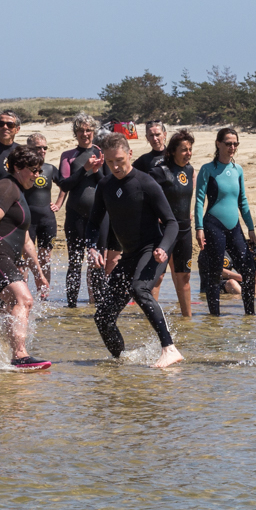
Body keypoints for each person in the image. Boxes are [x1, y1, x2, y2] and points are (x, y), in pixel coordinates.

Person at [84, 131, 184, 368]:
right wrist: (92, 247)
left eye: (120, 160)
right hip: (128, 256)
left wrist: (163, 248)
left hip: (152, 250)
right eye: (110, 162)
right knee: (103, 316)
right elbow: (93, 223)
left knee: (140, 289)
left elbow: (171, 222)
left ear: (130, 154)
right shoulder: (105, 185)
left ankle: (169, 349)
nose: (115, 166)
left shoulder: (145, 183)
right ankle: (120, 361)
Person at [0, 143, 53, 370]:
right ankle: (20, 356)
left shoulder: (19, 191)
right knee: (24, 300)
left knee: (10, 309)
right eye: (33, 170)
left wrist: (38, 274)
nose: (37, 175)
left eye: (39, 170)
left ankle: (2, 360)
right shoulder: (7, 186)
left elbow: (26, 240)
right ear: (17, 167)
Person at [194, 127, 256, 316]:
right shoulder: (207, 169)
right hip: (213, 225)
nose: (232, 147)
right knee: (215, 272)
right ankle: (214, 318)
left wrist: (251, 228)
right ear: (218, 144)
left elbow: (242, 201)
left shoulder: (238, 170)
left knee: (248, 270)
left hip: (234, 226)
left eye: (235, 144)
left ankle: (250, 315)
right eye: (228, 143)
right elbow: (199, 200)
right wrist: (199, 228)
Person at [151, 129, 199, 316]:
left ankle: (187, 320)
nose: (188, 153)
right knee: (158, 277)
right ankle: (151, 319)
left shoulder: (189, 170)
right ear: (172, 151)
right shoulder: (160, 171)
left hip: (184, 231)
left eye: (190, 149)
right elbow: (144, 196)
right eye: (184, 150)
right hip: (163, 231)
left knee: (184, 276)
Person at [57, 114, 103, 307]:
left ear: (94, 131)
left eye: (88, 130)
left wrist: (96, 171)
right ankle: (71, 308)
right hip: (75, 215)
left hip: (99, 216)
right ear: (75, 133)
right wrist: (84, 168)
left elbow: (107, 183)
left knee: (98, 262)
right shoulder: (68, 155)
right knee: (75, 262)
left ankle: (98, 305)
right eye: (81, 130)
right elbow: (64, 184)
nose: (85, 134)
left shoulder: (101, 152)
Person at [22, 133, 60, 299]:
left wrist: (58, 203)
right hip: (27, 219)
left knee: (45, 258)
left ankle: (44, 295)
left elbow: (66, 185)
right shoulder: (22, 170)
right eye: (38, 147)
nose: (42, 150)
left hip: (47, 219)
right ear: (29, 148)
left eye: (45, 147)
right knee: (24, 259)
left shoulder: (50, 168)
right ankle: (23, 295)